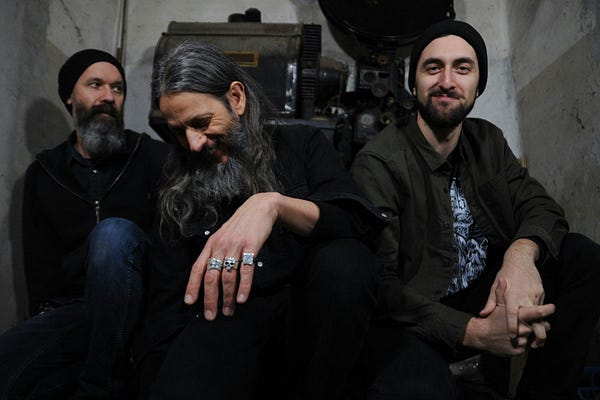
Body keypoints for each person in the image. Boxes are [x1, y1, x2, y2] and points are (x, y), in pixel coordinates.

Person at [351, 19, 600, 400]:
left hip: (482, 293)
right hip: (415, 317)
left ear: (478, 85)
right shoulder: (379, 162)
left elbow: (540, 206)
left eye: (462, 68)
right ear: (413, 84)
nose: (447, 81)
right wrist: (477, 333)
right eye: (433, 68)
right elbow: (379, 286)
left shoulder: (487, 139)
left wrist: (520, 258)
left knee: (583, 258)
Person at [133, 41, 385, 400]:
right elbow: (165, 308)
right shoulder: (178, 185)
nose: (193, 143)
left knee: (347, 262)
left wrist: (273, 205)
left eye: (201, 123)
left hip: (307, 334)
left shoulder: (301, 144)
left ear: (236, 99)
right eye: (178, 130)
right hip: (226, 327)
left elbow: (356, 224)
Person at [0, 49, 168, 399]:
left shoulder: (152, 156)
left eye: (118, 88)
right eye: (95, 85)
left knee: (112, 234)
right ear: (69, 96)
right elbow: (39, 266)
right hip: (75, 311)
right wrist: (41, 319)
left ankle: (98, 389)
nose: (109, 97)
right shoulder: (43, 173)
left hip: (139, 300)